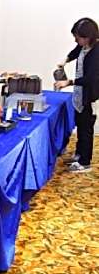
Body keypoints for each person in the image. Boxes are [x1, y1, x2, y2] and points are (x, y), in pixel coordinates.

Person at [54, 17, 99, 173]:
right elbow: (76, 51)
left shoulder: (96, 52)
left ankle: (85, 163)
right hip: (80, 95)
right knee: (80, 126)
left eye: (77, 37)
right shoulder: (84, 46)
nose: (75, 40)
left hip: (90, 96)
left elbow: (90, 79)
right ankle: (79, 155)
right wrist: (65, 60)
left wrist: (68, 82)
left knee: (86, 130)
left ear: (88, 37)